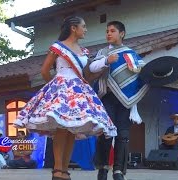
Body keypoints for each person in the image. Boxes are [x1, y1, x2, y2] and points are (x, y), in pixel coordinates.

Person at [14, 16, 117, 180]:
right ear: (73, 28)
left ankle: (65, 170)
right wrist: (55, 89)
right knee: (62, 128)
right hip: (62, 88)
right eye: (83, 26)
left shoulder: (84, 51)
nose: (86, 29)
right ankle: (57, 170)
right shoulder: (57, 47)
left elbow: (88, 73)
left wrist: (105, 63)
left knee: (71, 130)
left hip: (79, 89)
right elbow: (45, 71)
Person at [92, 21, 149, 180]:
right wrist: (106, 61)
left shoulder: (131, 54)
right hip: (107, 97)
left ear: (122, 33)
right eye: (107, 31)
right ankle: (103, 168)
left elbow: (142, 73)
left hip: (126, 100)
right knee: (106, 133)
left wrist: (155, 74)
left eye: (112, 31)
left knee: (123, 135)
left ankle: (118, 171)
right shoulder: (103, 52)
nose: (109, 34)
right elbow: (92, 68)